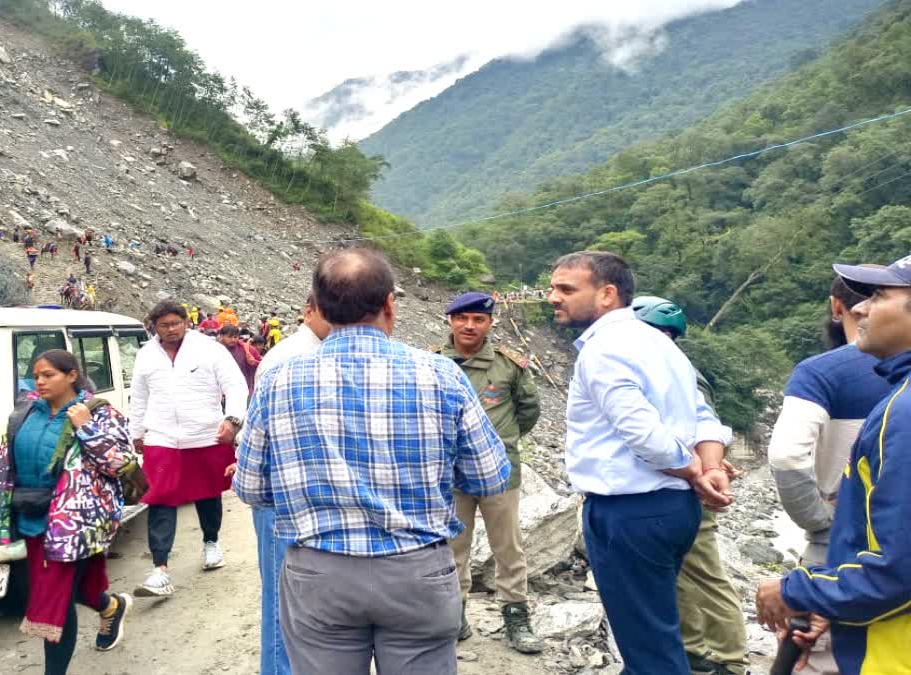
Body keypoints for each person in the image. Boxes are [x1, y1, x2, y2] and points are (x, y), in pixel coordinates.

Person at [234, 248, 512, 674]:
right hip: (418, 571)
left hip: (319, 575)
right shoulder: (440, 373)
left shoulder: (278, 378)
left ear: (321, 308)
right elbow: (491, 477)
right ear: (389, 305)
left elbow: (252, 487)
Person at [547, 251, 734, 674]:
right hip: (673, 509)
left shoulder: (603, 350)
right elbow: (705, 419)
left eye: (566, 289)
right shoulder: (660, 344)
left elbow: (645, 436)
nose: (552, 297)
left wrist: (694, 472)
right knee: (656, 632)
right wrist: (711, 467)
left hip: (630, 511)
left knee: (650, 651)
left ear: (607, 294)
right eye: (553, 287)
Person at [756, 254, 911, 675]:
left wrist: (799, 588)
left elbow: (900, 569)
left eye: (879, 296)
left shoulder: (904, 411)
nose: (861, 307)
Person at [0, 350, 134, 675]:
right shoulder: (25, 414)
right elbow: (1, 465)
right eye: (37, 375)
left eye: (48, 375)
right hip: (32, 519)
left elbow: (121, 464)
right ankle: (111, 606)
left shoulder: (100, 414)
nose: (40, 381)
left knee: (54, 602)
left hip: (76, 522)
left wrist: (85, 428)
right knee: (78, 590)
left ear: (72, 375)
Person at [632, 295, 748, 675]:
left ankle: (731, 659)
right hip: (665, 490)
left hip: (689, 489)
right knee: (677, 575)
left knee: (705, 574)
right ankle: (694, 649)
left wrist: (707, 467)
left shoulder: (683, 375)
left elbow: (704, 427)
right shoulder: (652, 371)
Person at [433, 291, 543, 653]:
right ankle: (455, 615)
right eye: (462, 318)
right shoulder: (433, 363)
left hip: (500, 474)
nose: (469, 325)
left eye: (478, 319)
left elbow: (528, 411)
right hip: (451, 474)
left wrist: (501, 442)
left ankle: (516, 616)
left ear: (490, 322)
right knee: (453, 547)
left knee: (508, 547)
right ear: (450, 320)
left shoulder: (507, 365)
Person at [130, 301, 248, 597]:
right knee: (159, 497)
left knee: (207, 493)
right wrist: (137, 432)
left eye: (176, 324)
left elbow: (235, 385)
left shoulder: (209, 350)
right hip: (162, 436)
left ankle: (211, 542)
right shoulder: (146, 355)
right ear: (153, 327)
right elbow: (139, 396)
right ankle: (159, 569)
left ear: (186, 322)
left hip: (205, 434)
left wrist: (232, 420)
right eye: (164, 326)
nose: (171, 330)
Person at [243, 294, 331, 675]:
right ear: (309, 311)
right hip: (282, 498)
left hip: (302, 496)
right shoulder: (289, 358)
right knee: (282, 601)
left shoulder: (318, 353)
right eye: (331, 311)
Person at [216, 324, 262, 396]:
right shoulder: (215, 350)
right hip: (220, 391)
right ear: (221, 336)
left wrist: (254, 362)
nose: (233, 340)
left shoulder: (248, 349)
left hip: (244, 389)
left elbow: (263, 366)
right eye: (229, 337)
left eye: (235, 337)